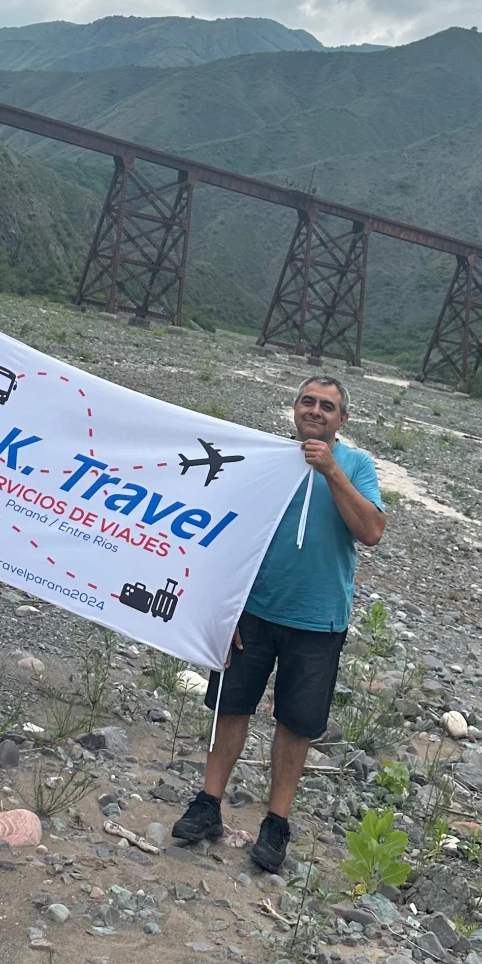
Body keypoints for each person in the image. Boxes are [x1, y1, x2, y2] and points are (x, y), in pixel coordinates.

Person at [171, 374, 384, 873]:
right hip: (253, 610)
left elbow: (371, 530)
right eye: (308, 401)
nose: (315, 411)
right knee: (230, 707)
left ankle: (276, 823)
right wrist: (223, 607)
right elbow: (227, 531)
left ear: (342, 419)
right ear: (293, 407)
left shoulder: (357, 465)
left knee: (296, 724)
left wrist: (331, 470)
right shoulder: (267, 457)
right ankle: (208, 803)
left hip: (318, 618)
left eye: (327, 406)